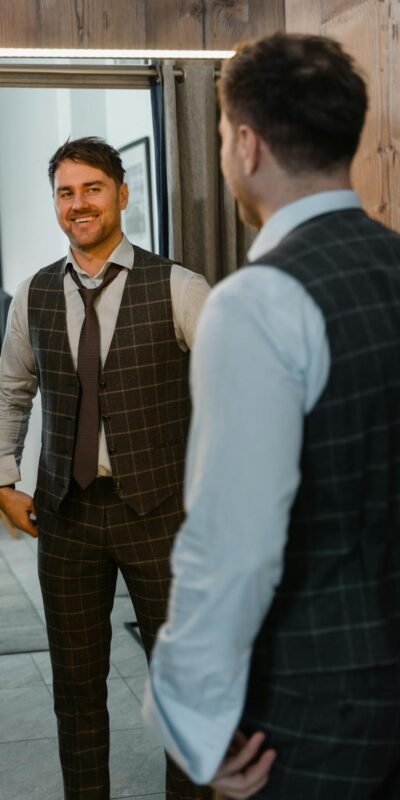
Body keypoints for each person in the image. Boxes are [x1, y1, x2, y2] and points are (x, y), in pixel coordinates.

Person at [143, 33, 400, 800]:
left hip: (313, 708)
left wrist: (193, 721)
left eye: (223, 136)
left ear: (246, 144)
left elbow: (233, 548)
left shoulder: (256, 303)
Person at [0, 136, 212, 800]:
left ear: (121, 194)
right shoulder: (34, 293)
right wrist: (3, 480)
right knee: (77, 687)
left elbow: (233, 399)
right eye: (66, 192)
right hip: (65, 517)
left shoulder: (180, 286)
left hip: (163, 516)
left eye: (92, 188)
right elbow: (11, 390)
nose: (79, 203)